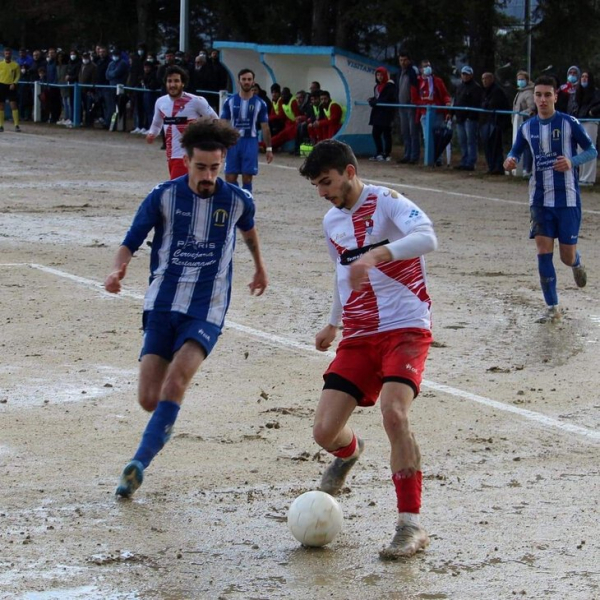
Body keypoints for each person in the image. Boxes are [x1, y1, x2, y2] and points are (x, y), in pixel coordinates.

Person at [105, 120, 268, 499]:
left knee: (177, 381)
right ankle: (165, 421)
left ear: (223, 162)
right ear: (186, 161)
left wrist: (260, 266)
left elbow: (249, 229)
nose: (208, 176)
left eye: (215, 168)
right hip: (162, 303)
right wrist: (118, 267)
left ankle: (137, 465)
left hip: (206, 308)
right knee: (150, 398)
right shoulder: (163, 196)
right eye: (201, 167)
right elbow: (130, 240)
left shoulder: (239, 199)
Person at [298, 139, 437, 559]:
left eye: (327, 182)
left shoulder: (388, 202)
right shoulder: (331, 222)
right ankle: (350, 452)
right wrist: (333, 322)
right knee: (324, 432)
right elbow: (343, 273)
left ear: (350, 172)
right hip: (359, 332)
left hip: (405, 326)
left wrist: (379, 253)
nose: (323, 192)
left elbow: (427, 237)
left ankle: (410, 526)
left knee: (394, 414)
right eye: (317, 186)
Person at [503, 75, 598, 324]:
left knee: (566, 256)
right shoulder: (527, 127)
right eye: (538, 95)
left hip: (567, 200)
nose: (542, 99)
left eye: (547, 95)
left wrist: (572, 161)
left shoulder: (569, 123)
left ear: (556, 96)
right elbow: (515, 150)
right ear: (534, 97)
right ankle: (552, 307)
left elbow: (591, 151)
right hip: (539, 199)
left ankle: (576, 263)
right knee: (543, 251)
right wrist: (510, 159)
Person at [147, 65, 218, 179]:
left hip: (188, 155)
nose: (172, 85)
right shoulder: (161, 102)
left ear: (183, 83)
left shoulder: (196, 101)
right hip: (171, 155)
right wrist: (152, 134)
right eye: (169, 81)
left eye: (176, 81)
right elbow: (156, 123)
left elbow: (215, 121)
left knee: (177, 190)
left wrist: (199, 126)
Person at [220, 68, 273, 193]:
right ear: (239, 81)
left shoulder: (260, 103)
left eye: (249, 79)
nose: (246, 82)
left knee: (247, 177)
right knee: (230, 176)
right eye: (244, 79)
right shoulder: (229, 101)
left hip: (250, 142)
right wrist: (221, 143)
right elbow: (223, 123)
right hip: (233, 142)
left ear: (253, 82)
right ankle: (237, 199)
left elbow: (265, 127)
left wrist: (269, 148)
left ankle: (247, 202)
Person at [453, 66, 483, 171]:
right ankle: (464, 160)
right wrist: (452, 113)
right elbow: (456, 101)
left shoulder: (476, 88)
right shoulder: (459, 87)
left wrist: (470, 116)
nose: (464, 76)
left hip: (470, 119)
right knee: (462, 141)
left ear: (471, 75)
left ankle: (471, 162)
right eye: (463, 74)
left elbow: (476, 103)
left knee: (471, 141)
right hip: (460, 118)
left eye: (467, 74)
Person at [480, 72, 510, 174]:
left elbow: (492, 105)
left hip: (497, 122)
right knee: (488, 145)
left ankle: (498, 167)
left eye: (486, 78)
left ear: (491, 79)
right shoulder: (485, 91)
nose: (484, 81)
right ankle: (491, 166)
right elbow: (484, 104)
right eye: (483, 79)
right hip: (488, 121)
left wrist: (486, 104)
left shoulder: (497, 91)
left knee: (495, 146)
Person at [574, 70, 600, 186]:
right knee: (580, 150)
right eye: (582, 76)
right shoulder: (579, 92)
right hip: (580, 120)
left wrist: (592, 112)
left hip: (590, 121)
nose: (584, 78)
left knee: (589, 149)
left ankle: (589, 178)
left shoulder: (595, 92)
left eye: (586, 77)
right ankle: (581, 176)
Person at [368, 66, 397, 162]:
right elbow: (378, 97)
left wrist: (376, 101)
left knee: (386, 134)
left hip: (386, 114)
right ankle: (379, 152)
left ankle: (387, 153)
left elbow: (388, 98)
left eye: (381, 75)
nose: (379, 77)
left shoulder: (390, 86)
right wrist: (373, 100)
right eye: (378, 75)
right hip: (377, 114)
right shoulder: (376, 87)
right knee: (375, 133)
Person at [396, 52, 420, 164]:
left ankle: (414, 155)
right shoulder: (399, 72)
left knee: (413, 132)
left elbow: (416, 86)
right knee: (405, 131)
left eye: (405, 60)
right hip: (402, 106)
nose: (403, 62)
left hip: (411, 106)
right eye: (401, 60)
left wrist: (414, 100)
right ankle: (407, 154)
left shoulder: (413, 72)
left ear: (409, 60)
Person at [512, 71, 535, 177]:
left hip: (526, 121)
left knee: (527, 146)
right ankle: (520, 166)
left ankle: (528, 168)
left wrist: (523, 113)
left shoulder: (529, 92)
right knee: (520, 145)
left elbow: (532, 107)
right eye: (518, 79)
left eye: (522, 79)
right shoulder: (520, 92)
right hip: (519, 121)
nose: (520, 81)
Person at [0, 47, 22, 132]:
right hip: (1, 84)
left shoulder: (15, 65)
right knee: (1, 106)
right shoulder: (1, 64)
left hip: (11, 85)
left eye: (9, 54)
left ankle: (16, 125)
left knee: (13, 104)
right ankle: (1, 125)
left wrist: (14, 83)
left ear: (11, 54)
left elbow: (18, 75)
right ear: (4, 54)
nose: (7, 55)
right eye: (6, 54)